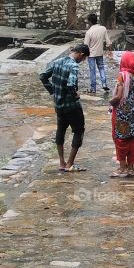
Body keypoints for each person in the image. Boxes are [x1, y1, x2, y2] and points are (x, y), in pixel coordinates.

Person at [39, 43, 89, 172]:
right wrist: (75, 94)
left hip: (59, 105)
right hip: (72, 106)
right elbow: (71, 84)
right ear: (81, 54)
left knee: (60, 131)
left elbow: (43, 76)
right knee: (78, 131)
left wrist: (53, 92)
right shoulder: (73, 66)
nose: (82, 61)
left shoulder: (58, 61)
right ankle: (70, 164)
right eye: (83, 59)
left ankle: (62, 162)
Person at [110, 50, 134, 179]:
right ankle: (131, 168)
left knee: (121, 139)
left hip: (123, 113)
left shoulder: (122, 75)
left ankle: (122, 169)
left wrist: (111, 102)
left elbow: (119, 96)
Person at [83, 12, 109, 95]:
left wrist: (84, 56)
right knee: (101, 68)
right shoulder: (103, 28)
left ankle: (93, 88)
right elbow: (108, 42)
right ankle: (104, 83)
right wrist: (110, 50)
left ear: (90, 22)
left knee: (92, 71)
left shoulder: (89, 32)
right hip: (100, 53)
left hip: (91, 55)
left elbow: (85, 46)